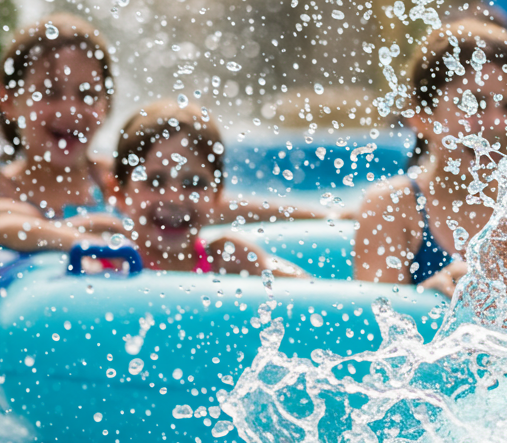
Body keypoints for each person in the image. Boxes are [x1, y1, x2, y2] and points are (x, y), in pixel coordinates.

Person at [354, 17, 507, 295]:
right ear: (422, 116)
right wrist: (430, 293)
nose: (496, 123)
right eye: (472, 104)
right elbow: (373, 322)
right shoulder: (393, 207)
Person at [114, 99, 292, 275]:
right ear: (120, 193)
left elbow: (309, 293)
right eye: (155, 182)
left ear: (217, 195)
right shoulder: (110, 261)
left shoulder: (227, 261)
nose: (174, 198)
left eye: (194, 183)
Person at [0, 14, 128, 251]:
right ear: (7, 101)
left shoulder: (119, 182)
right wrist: (77, 235)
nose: (71, 110)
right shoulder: (4, 192)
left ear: (106, 105)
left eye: (87, 95)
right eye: (50, 92)